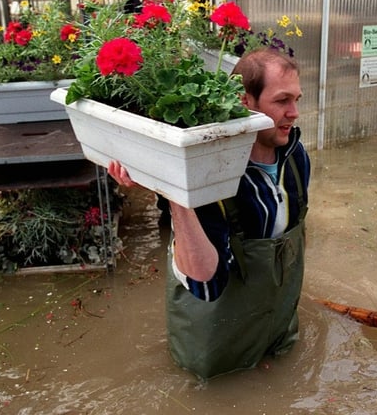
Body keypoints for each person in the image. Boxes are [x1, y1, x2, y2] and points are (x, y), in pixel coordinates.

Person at [108, 48, 310, 380]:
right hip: (217, 354)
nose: (294, 113)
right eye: (282, 101)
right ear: (245, 102)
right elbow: (206, 285)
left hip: (275, 335)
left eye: (297, 99)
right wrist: (173, 189)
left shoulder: (296, 157)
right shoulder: (211, 176)